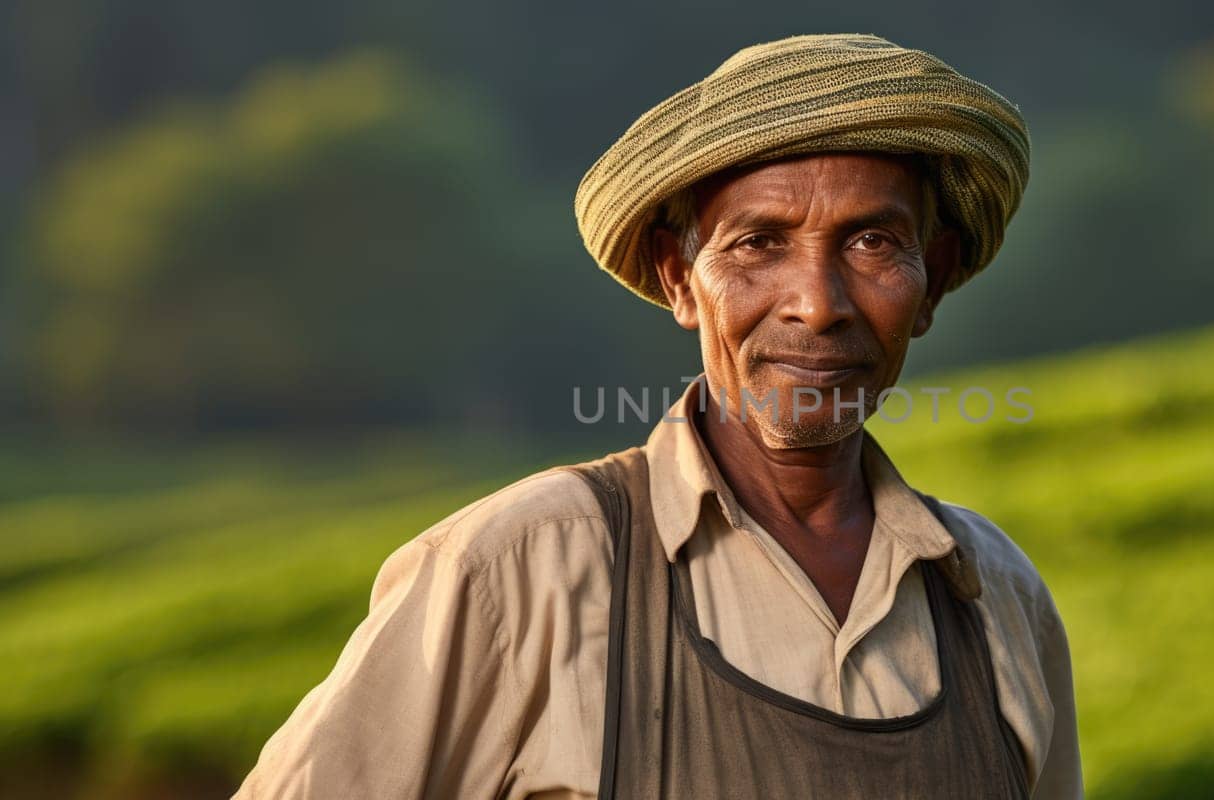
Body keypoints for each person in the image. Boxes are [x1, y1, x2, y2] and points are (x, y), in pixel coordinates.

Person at [236, 33, 1083, 799]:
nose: (818, 305)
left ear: (930, 280)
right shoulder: (520, 571)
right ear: (680, 278)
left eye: (871, 243)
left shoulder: (995, 597)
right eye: (759, 243)